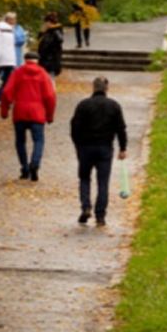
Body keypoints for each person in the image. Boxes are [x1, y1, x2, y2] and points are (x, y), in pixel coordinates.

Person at [70, 75, 128, 227]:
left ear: (93, 87)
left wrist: (78, 145)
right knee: (103, 182)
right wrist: (123, 148)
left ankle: (86, 206)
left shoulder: (83, 105)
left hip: (86, 147)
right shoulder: (114, 106)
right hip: (105, 147)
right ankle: (100, 215)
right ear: (106, 89)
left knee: (84, 178)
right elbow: (121, 129)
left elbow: (75, 127)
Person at [0, 53, 56, 181]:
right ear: (37, 61)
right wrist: (50, 115)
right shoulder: (42, 74)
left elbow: (7, 92)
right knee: (38, 140)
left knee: (20, 141)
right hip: (37, 112)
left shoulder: (18, 73)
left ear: (25, 60)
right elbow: (50, 96)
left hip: (20, 110)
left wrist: (4, 111)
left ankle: (24, 168)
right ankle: (35, 163)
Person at [0, 12, 19, 101]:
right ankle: (8, 97)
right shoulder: (10, 31)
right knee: (7, 79)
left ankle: (0, 98)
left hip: (2, 59)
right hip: (10, 59)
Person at [37, 11, 64, 77]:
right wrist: (41, 32)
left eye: (46, 22)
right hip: (44, 59)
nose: (45, 24)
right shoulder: (45, 32)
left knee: (50, 79)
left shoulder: (56, 31)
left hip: (51, 60)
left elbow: (59, 41)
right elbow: (38, 41)